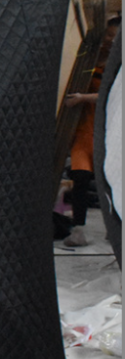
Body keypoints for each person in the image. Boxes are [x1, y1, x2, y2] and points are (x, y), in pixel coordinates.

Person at [62, 17, 120, 247]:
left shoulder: (117, 69)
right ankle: (79, 230)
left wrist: (82, 98)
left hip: (108, 135)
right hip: (83, 133)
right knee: (80, 178)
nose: (111, 40)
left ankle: (114, 229)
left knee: (110, 182)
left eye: (116, 37)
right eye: (109, 35)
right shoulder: (85, 62)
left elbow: (111, 96)